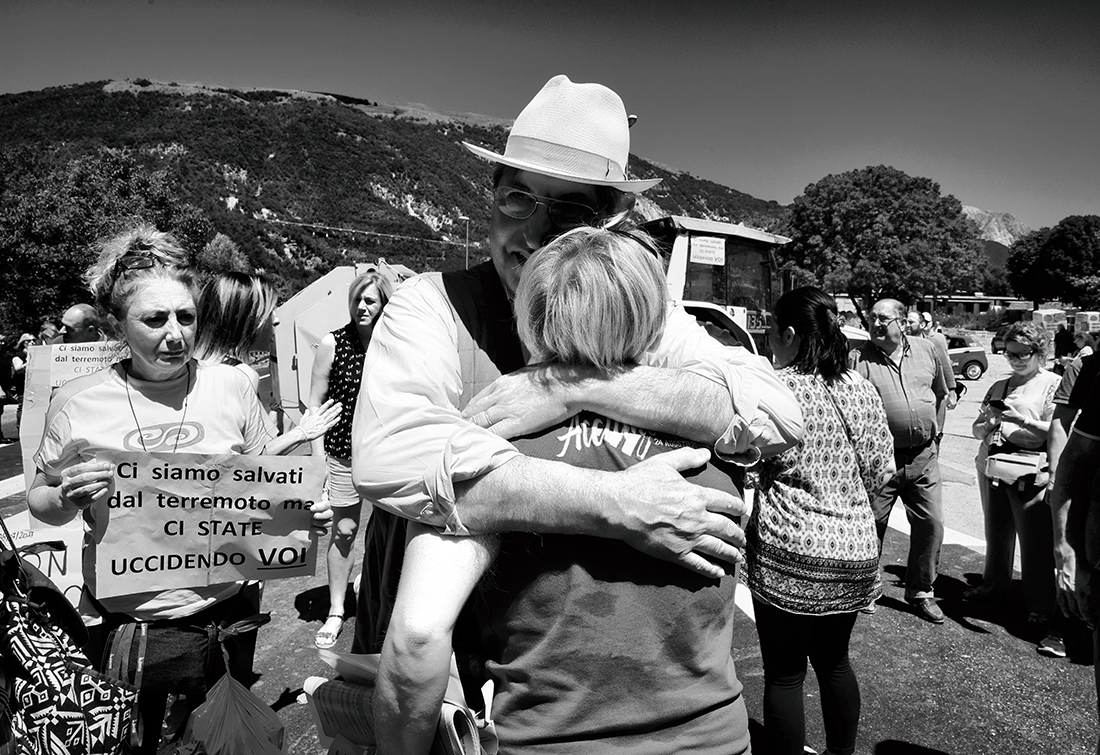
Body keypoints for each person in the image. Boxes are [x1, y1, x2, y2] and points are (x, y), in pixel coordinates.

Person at [374, 226, 751, 754]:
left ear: (530, 319)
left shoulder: (490, 454)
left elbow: (416, 638)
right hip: (719, 740)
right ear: (653, 318)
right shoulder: (721, 440)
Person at [26, 224, 339, 754]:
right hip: (133, 631)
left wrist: (302, 512)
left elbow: (264, 477)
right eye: (154, 319)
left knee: (219, 741)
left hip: (227, 619)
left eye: (186, 316)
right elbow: (41, 502)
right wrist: (66, 496)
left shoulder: (232, 385)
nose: (175, 333)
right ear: (117, 324)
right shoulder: (77, 401)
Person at [746, 287, 893, 755]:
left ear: (789, 334)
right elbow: (881, 470)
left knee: (785, 674)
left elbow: (750, 464)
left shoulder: (775, 389)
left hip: (789, 548)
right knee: (834, 662)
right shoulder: (862, 388)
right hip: (853, 550)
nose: (769, 338)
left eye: (772, 330)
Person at [967, 322, 1065, 655]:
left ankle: (1040, 603)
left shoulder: (1053, 384)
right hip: (992, 465)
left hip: (1030, 470)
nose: (1015, 360)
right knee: (996, 533)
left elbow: (1054, 431)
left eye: (1022, 354)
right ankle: (993, 586)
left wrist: (1018, 419)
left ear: (1040, 352)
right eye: (1009, 353)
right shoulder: (999, 384)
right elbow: (977, 429)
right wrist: (989, 423)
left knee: (1035, 542)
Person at [308, 270, 392, 649]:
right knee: (343, 532)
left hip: (387, 452)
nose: (361, 306)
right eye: (357, 299)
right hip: (341, 453)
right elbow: (314, 406)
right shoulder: (333, 343)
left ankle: (381, 596)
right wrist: (318, 463)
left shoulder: (395, 344)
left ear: (384, 304)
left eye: (370, 300)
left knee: (389, 531)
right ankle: (337, 609)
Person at [853, 298, 949, 623]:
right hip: (880, 460)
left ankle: (921, 590)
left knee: (931, 524)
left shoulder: (929, 349)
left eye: (883, 319)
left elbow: (942, 393)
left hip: (924, 456)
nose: (876, 324)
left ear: (902, 321)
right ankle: (865, 587)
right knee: (871, 524)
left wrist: (936, 438)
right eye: (871, 319)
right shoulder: (858, 359)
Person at [194, 271, 279, 392]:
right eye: (270, 313)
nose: (276, 320)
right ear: (245, 318)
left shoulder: (187, 365)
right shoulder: (242, 376)